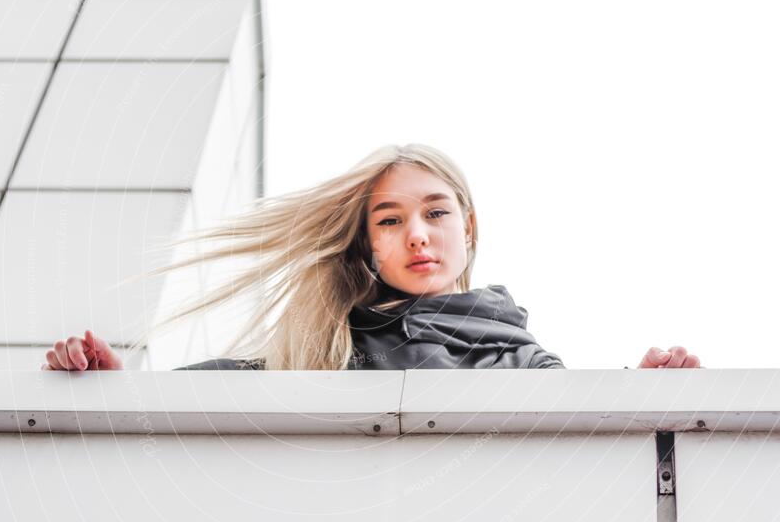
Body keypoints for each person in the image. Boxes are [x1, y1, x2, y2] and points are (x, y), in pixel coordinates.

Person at [40, 144, 702, 372]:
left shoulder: (517, 352)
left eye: (436, 213)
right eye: (390, 220)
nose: (418, 234)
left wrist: (637, 383)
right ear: (366, 245)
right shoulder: (326, 346)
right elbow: (214, 395)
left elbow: (576, 422)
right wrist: (117, 382)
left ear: (469, 228)